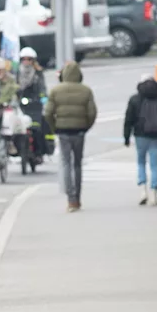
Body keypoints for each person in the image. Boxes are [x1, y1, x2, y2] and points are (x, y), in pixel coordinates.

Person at [43, 61, 97, 212]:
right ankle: (78, 198)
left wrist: (55, 127)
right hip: (79, 130)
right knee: (77, 164)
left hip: (63, 131)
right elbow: (92, 113)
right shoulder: (86, 91)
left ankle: (70, 199)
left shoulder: (55, 91)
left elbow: (47, 113)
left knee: (66, 163)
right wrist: (86, 126)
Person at [123, 74, 157, 206]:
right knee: (154, 165)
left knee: (141, 162)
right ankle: (154, 193)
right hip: (156, 135)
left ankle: (143, 190)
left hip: (140, 136)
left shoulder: (135, 99)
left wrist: (126, 137)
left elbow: (128, 120)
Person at [16, 47, 50, 159]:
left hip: (35, 104)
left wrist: (43, 97)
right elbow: (13, 88)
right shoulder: (16, 73)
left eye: (29, 59)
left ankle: (39, 152)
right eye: (24, 59)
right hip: (21, 104)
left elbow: (42, 88)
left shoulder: (38, 73)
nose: (26, 62)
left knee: (37, 129)